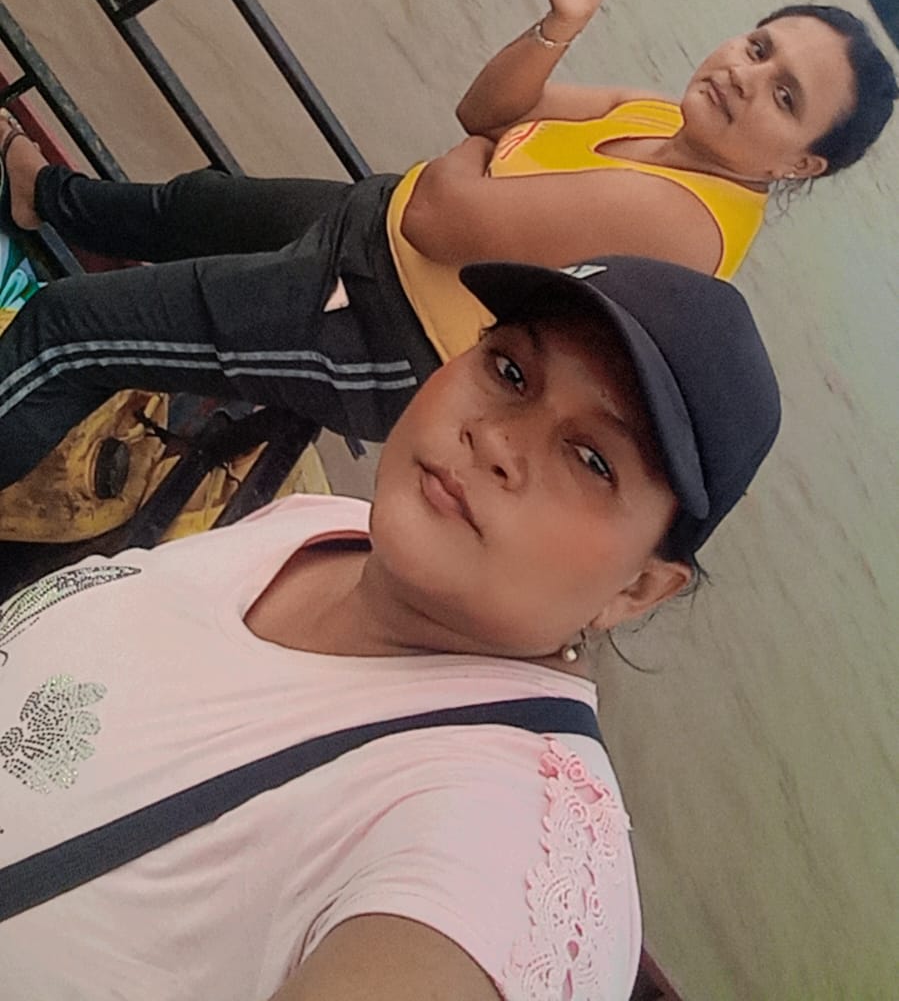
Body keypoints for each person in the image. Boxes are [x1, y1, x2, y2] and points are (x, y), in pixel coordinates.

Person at [0, 254, 782, 1000]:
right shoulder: (324, 526)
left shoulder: (509, 852)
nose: (498, 439)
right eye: (509, 370)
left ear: (637, 588)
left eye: (591, 459)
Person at [0, 0, 894, 490]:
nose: (745, 74)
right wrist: (561, 21)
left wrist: (478, 159)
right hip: (369, 228)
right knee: (193, 206)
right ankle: (46, 197)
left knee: (67, 333)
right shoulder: (664, 117)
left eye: (784, 95)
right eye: (758, 45)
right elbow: (483, 110)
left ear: (799, 164)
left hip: (381, 333)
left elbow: (439, 211)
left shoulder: (684, 222)